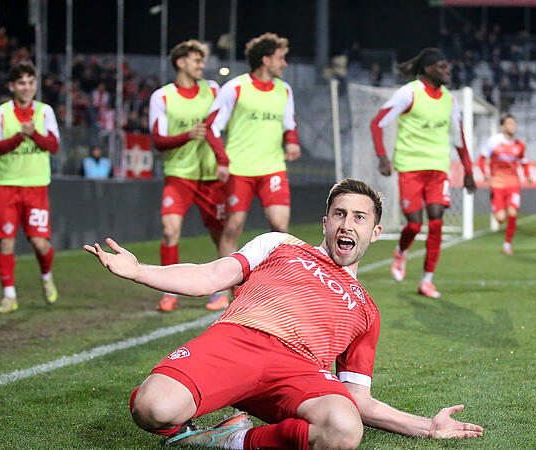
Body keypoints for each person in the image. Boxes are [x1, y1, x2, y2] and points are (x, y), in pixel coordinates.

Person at [84, 178, 483, 449]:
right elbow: (212, 276)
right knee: (152, 409)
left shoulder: (366, 309)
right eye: (340, 214)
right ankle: (188, 426)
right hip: (237, 339)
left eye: (360, 217)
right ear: (326, 223)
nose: (348, 224)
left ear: (375, 232)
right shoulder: (281, 245)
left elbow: (359, 399)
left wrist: (427, 426)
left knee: (344, 429)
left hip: (299, 370)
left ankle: (230, 441)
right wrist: (139, 272)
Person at [369, 48, 475, 298]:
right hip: (410, 168)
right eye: (441, 66)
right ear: (427, 69)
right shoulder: (409, 93)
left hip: (438, 169)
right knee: (415, 225)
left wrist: (469, 171)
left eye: (447, 66)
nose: (447, 70)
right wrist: (383, 157)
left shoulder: (450, 99)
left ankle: (427, 280)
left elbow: (459, 139)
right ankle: (401, 252)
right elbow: (377, 123)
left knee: (436, 221)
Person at [206, 32, 300, 303]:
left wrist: (292, 143)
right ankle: (222, 290)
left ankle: (275, 286)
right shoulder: (235, 88)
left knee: (280, 227)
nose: (284, 64)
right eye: (281, 58)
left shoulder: (285, 89)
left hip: (272, 168)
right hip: (240, 170)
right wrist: (222, 161)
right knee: (233, 227)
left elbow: (289, 124)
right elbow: (212, 127)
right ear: (266, 59)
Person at [149, 39, 227, 312]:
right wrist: (187, 136)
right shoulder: (162, 97)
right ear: (181, 62)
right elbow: (158, 140)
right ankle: (169, 292)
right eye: (197, 60)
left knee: (221, 235)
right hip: (179, 175)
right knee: (170, 231)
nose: (202, 66)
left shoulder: (213, 90)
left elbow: (219, 127)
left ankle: (223, 292)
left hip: (209, 177)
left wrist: (222, 159)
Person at [0, 63, 60, 314]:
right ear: (12, 86)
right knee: (5, 243)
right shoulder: (1, 113)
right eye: (21, 83)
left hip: (36, 187)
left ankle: (46, 275)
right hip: (6, 186)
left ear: (35, 85)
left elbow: (53, 145)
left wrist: (34, 134)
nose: (26, 87)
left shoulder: (45, 112)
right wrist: (19, 136)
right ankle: (9, 296)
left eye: (30, 82)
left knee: (40, 243)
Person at [478, 114, 533, 255]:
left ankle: (507, 244)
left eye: (514, 124)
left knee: (513, 213)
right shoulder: (494, 141)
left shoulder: (519, 145)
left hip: (513, 183)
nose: (512, 127)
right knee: (501, 218)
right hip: (497, 184)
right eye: (509, 124)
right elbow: (481, 159)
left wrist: (528, 176)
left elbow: (524, 162)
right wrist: (485, 173)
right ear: (502, 126)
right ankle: (495, 205)